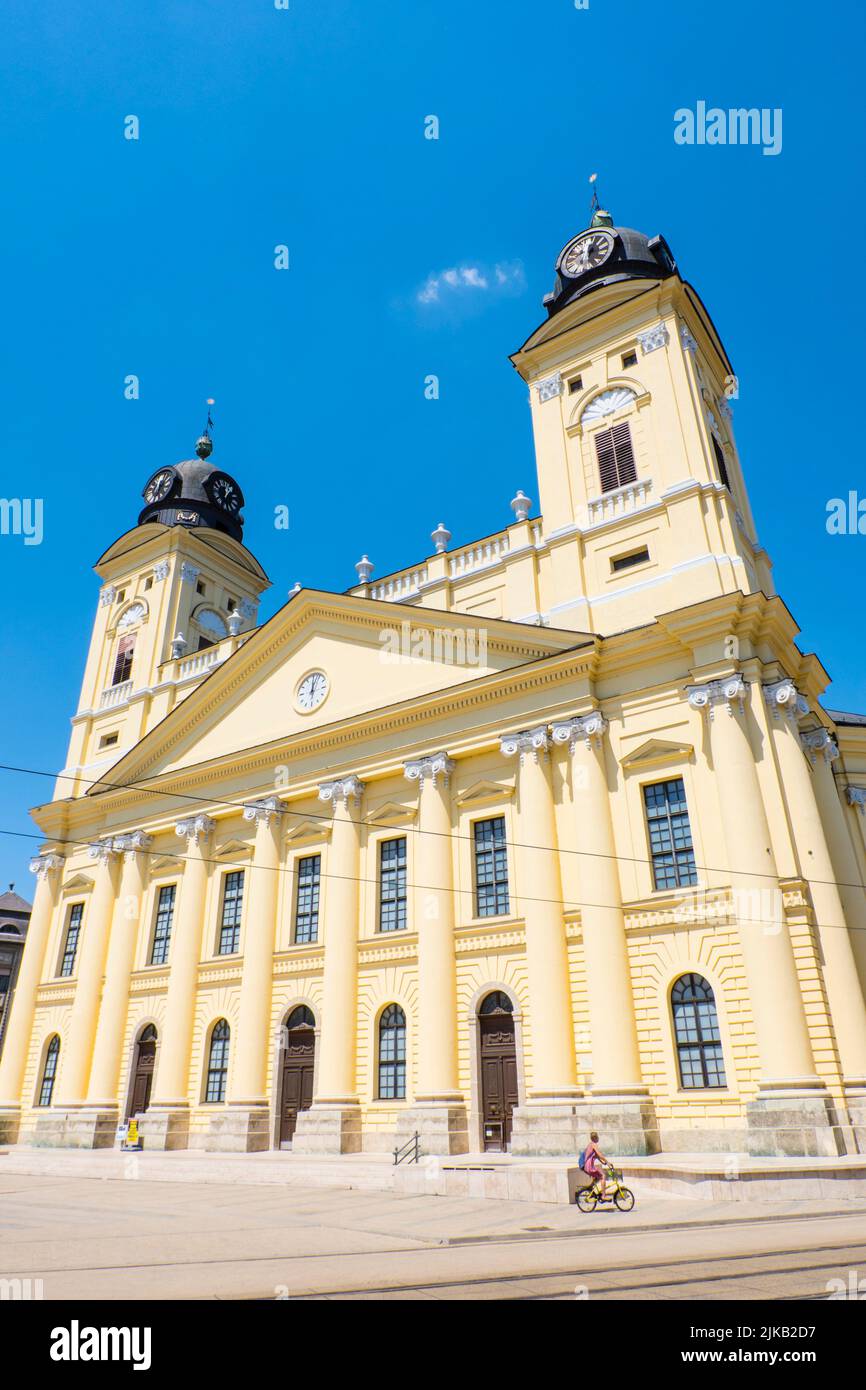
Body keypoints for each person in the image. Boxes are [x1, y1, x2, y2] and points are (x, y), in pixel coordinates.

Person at [583, 1131, 610, 1201]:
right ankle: (603, 1196)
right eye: (597, 1137)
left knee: (598, 1178)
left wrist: (604, 1163)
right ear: (595, 1138)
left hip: (587, 1166)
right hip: (589, 1166)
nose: (598, 1138)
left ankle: (590, 1189)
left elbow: (598, 1157)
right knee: (603, 1176)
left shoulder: (590, 1145)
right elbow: (600, 1155)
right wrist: (607, 1162)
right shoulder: (594, 1144)